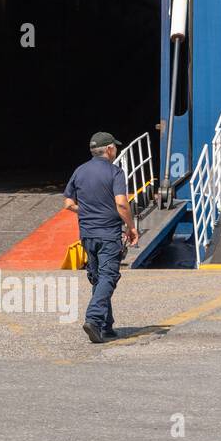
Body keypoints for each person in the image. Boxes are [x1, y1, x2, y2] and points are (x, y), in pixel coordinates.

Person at [63, 132, 138, 344]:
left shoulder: (80, 171)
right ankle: (94, 319)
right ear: (109, 149)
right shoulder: (115, 172)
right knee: (108, 276)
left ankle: (106, 326)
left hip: (87, 234)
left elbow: (68, 204)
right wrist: (131, 227)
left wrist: (87, 210)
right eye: (115, 147)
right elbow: (122, 204)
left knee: (98, 277)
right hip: (108, 234)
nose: (116, 150)